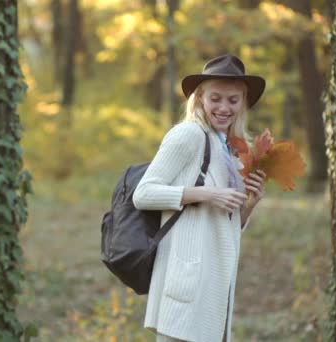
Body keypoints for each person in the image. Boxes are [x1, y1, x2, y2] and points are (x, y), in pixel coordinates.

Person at [132, 54, 267, 342]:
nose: (224, 107)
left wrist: (249, 204)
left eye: (233, 100)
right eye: (215, 98)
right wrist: (207, 194)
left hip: (215, 285)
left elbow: (225, 224)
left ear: (243, 103)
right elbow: (143, 194)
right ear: (200, 98)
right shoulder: (188, 134)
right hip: (187, 284)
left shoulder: (232, 149)